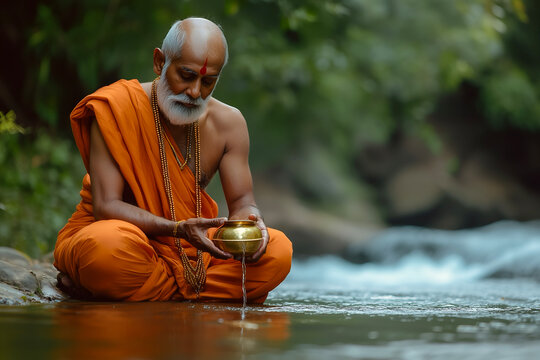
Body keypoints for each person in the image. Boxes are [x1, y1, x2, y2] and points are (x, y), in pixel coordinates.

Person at [54, 17, 293, 303]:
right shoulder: (117, 107)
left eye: (208, 81)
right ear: (159, 62)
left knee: (278, 251)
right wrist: (177, 229)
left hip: (194, 253)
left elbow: (242, 201)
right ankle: (191, 292)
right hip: (127, 239)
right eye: (186, 75)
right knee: (105, 248)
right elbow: (107, 207)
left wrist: (255, 226)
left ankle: (137, 289)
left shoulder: (228, 124)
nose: (194, 92)